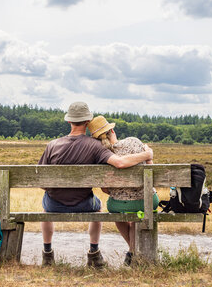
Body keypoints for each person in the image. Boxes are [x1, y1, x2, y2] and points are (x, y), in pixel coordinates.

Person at [38, 102, 153, 268]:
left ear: (69, 121)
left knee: (45, 209)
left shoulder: (52, 145)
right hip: (84, 203)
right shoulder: (95, 146)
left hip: (54, 204)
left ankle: (47, 254)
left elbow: (42, 182)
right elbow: (120, 163)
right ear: (87, 122)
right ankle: (94, 254)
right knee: (97, 208)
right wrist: (146, 154)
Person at [87, 115, 159, 266]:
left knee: (118, 213)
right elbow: (151, 170)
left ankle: (132, 252)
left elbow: (105, 189)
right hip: (145, 200)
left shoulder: (101, 154)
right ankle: (133, 251)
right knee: (134, 217)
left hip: (118, 205)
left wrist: (119, 191)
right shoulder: (133, 142)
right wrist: (149, 154)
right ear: (112, 130)